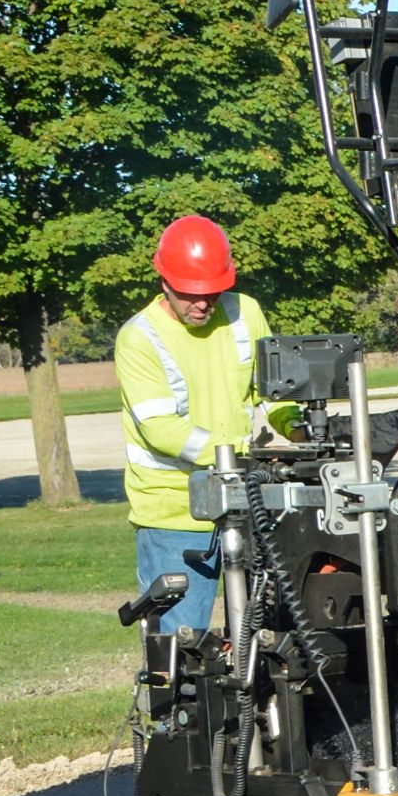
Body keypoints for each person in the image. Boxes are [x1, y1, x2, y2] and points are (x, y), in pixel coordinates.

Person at [116, 215, 281, 636]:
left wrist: (302, 430)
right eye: (191, 294)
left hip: (250, 505)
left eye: (212, 292)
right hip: (175, 515)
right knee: (181, 647)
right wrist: (240, 454)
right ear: (164, 282)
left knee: (270, 638)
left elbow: (276, 392)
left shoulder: (245, 313)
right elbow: (162, 430)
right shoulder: (140, 338)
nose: (203, 304)